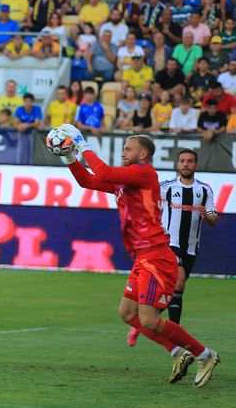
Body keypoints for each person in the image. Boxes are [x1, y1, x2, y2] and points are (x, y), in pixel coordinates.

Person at [57, 126, 220, 387]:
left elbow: (105, 172)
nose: (123, 153)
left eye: (128, 149)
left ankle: (205, 355)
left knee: (148, 319)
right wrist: (69, 158)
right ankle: (179, 352)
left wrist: (82, 144)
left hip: (155, 255)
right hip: (142, 256)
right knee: (127, 313)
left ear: (143, 154)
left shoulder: (144, 174)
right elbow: (87, 181)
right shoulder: (126, 182)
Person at [146, 149, 217, 332]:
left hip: (191, 247)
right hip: (170, 242)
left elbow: (213, 219)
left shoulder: (204, 189)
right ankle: (175, 333)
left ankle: (146, 319)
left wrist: (206, 215)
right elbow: (150, 206)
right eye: (182, 161)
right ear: (177, 165)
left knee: (175, 289)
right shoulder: (166, 187)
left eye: (190, 161)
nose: (186, 164)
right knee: (178, 281)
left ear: (196, 165)